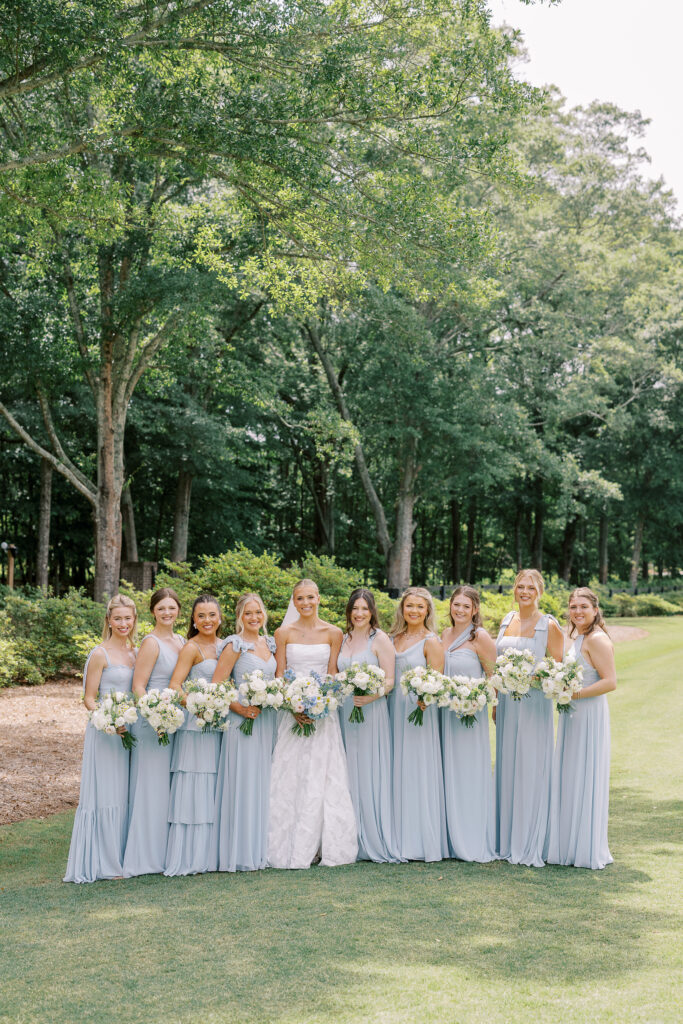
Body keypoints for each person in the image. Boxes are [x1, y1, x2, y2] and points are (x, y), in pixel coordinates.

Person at [267, 579, 357, 869]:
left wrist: (319, 705)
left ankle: (321, 845)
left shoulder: (333, 632)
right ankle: (287, 843)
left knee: (323, 775)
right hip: (290, 712)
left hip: (324, 714)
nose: (305, 603)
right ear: (293, 602)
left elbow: (331, 674)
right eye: (299, 598)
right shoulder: (283, 632)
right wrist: (293, 706)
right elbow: (280, 674)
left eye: (310, 597)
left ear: (319, 598)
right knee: (290, 774)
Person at [64, 594, 137, 883]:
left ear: (134, 620)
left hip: (132, 731)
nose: (123, 623)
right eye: (117, 618)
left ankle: (124, 856)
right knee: (107, 793)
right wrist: (110, 721)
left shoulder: (137, 652)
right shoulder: (99, 653)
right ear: (108, 620)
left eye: (127, 618)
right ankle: (105, 862)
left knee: (126, 792)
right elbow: (89, 699)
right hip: (106, 733)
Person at [494, 569, 564, 867]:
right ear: (514, 589)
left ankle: (533, 838)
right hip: (508, 704)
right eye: (520, 586)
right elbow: (498, 665)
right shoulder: (506, 620)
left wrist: (535, 677)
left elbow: (559, 669)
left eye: (531, 588)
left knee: (532, 765)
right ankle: (507, 838)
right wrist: (497, 701)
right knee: (509, 764)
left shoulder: (549, 625)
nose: (524, 592)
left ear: (540, 592)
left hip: (534, 703)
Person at [546, 587, 616, 869]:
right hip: (572, 714)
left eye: (583, 607)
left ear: (595, 610)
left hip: (587, 713)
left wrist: (572, 694)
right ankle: (568, 844)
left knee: (584, 773)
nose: (577, 612)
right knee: (571, 774)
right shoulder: (579, 637)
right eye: (573, 607)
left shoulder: (598, 639)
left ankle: (584, 847)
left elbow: (610, 681)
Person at [211, 593, 278, 872]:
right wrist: (239, 708)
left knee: (265, 782)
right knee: (244, 781)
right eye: (248, 613)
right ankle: (240, 851)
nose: (254, 617)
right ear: (240, 616)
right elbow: (217, 684)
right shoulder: (234, 644)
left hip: (267, 721)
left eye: (258, 612)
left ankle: (264, 846)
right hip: (242, 723)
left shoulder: (270, 642)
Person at [123, 588, 184, 877]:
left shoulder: (181, 641)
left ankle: (164, 851)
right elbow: (138, 686)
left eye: (172, 608)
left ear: (179, 611)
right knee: (151, 786)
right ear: (152, 612)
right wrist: (154, 715)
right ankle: (144, 856)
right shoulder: (151, 642)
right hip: (152, 724)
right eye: (162, 609)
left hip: (174, 722)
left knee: (167, 788)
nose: (167, 613)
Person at [338, 588, 402, 863]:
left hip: (371, 712)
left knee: (368, 769)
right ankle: (346, 837)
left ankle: (372, 836)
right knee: (346, 770)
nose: (360, 613)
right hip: (344, 712)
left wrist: (370, 696)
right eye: (355, 609)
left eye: (365, 609)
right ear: (349, 612)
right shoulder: (343, 639)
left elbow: (390, 680)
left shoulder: (381, 638)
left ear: (372, 611)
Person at [165, 594, 224, 876]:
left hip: (219, 727)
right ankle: (190, 855)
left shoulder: (227, 646)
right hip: (196, 726)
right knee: (195, 783)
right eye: (201, 616)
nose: (207, 621)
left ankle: (212, 854)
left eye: (212, 615)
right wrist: (197, 706)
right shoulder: (191, 648)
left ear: (220, 618)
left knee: (215, 785)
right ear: (193, 620)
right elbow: (175, 685)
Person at [389, 586, 448, 862]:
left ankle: (418, 841)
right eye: (409, 606)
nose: (413, 611)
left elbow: (437, 681)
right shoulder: (392, 638)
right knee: (395, 770)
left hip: (417, 713)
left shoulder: (431, 641)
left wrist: (425, 699)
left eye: (419, 607)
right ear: (402, 608)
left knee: (416, 770)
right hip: (392, 712)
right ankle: (396, 836)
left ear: (427, 611)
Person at [440, 586, 498, 862]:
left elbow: (493, 679)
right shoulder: (443, 635)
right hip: (445, 716)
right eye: (456, 604)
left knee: (469, 774)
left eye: (466, 606)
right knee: (448, 773)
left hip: (470, 717)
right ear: (450, 606)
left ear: (475, 609)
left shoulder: (480, 637)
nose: (460, 610)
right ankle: (451, 837)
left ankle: (473, 838)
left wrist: (480, 703)